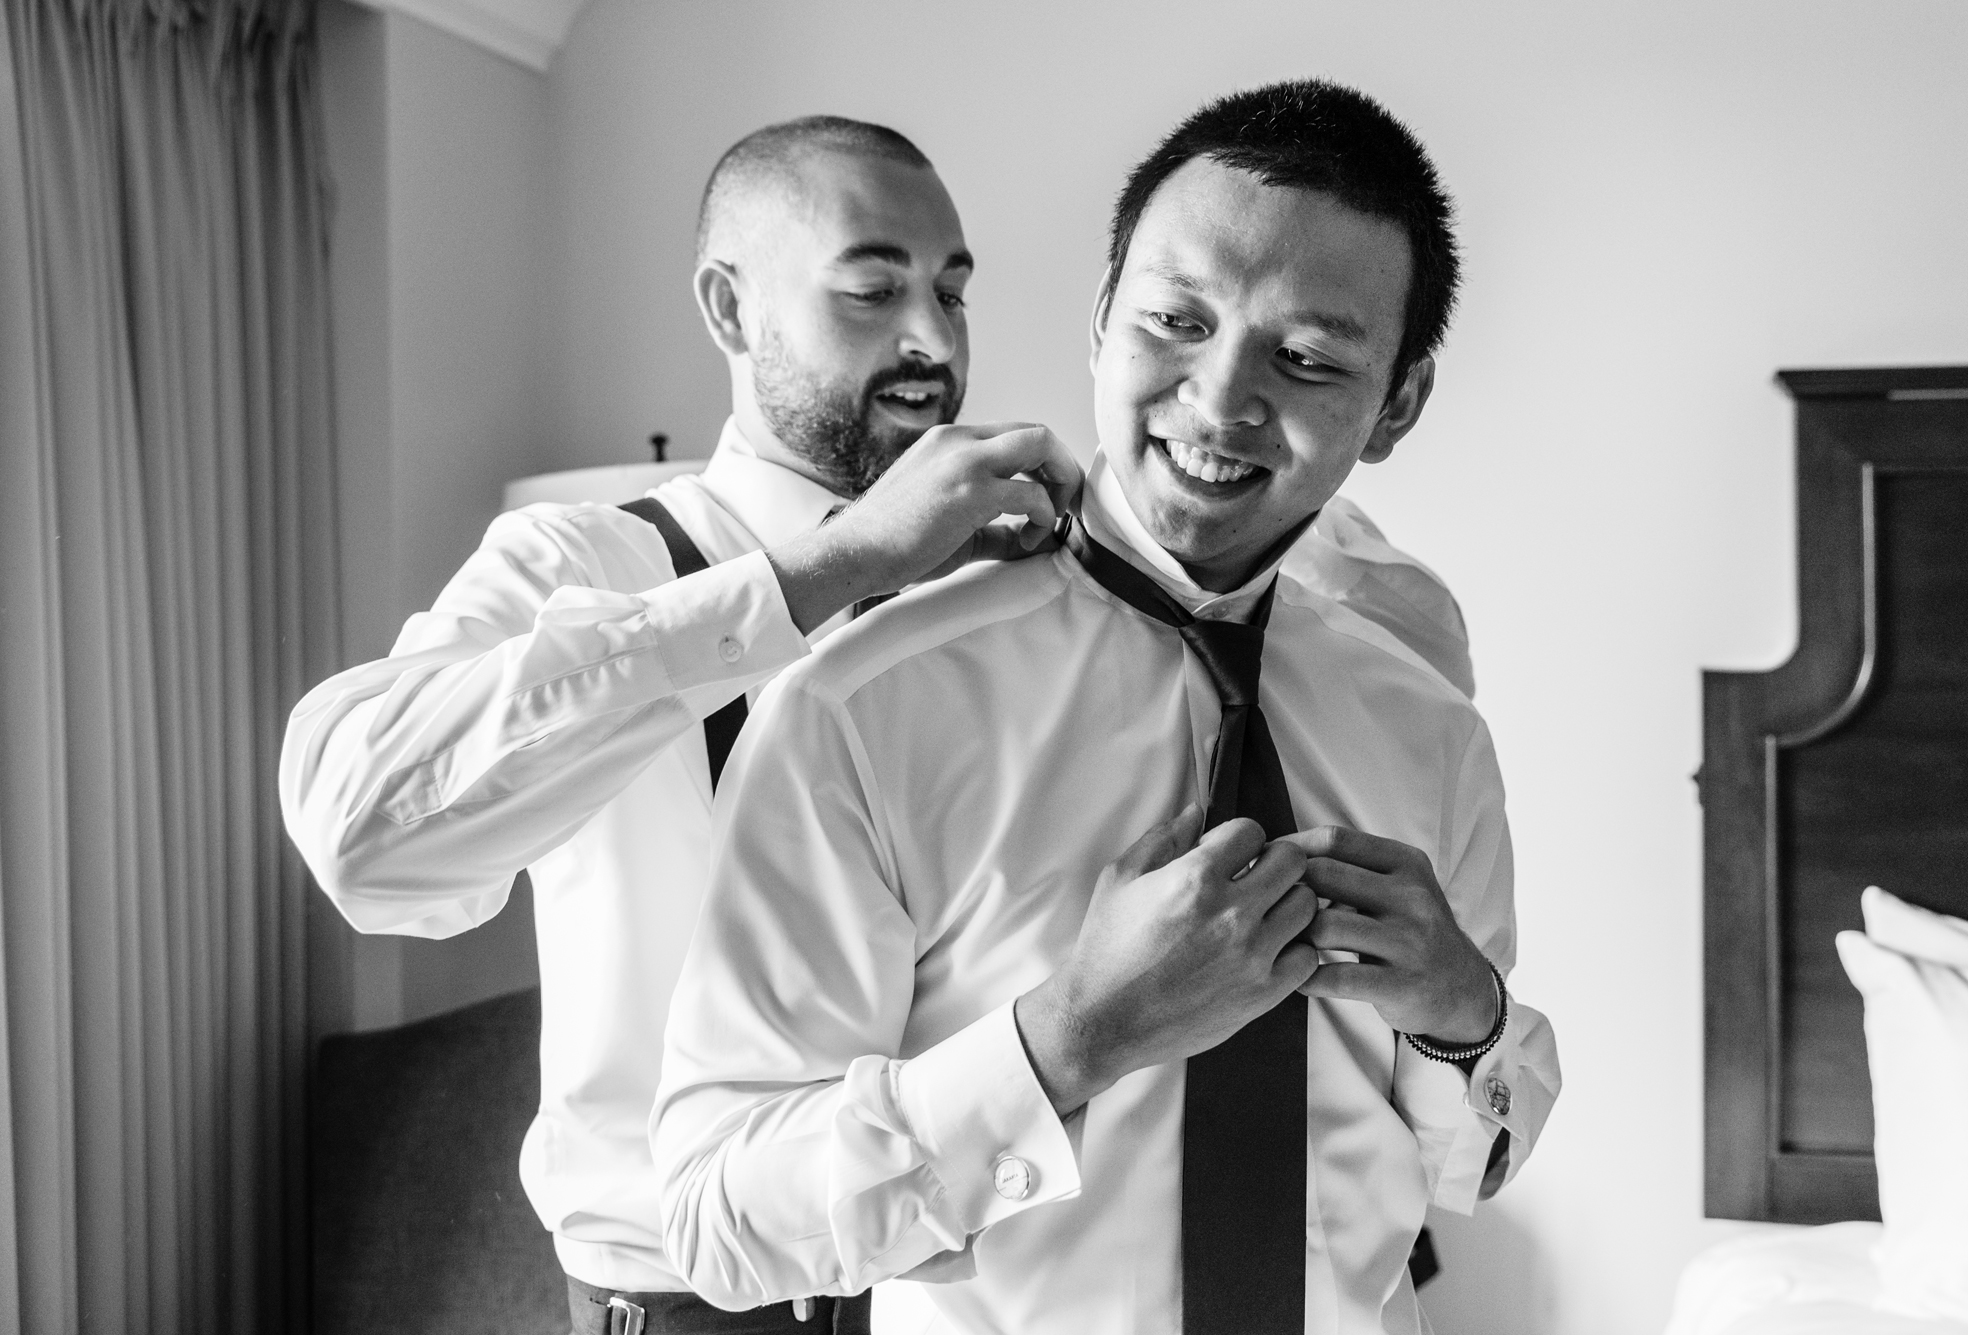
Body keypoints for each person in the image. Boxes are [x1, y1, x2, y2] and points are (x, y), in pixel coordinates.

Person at [651, 80, 1561, 1335]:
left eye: (1306, 359)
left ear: (1395, 403)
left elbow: (1467, 1165)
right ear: (1098, 320)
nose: (1219, 398)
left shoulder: (1426, 727)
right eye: (1174, 321)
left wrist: (1466, 1021)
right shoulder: (863, 707)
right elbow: (716, 1221)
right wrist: (1065, 1041)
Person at [281, 116, 1085, 1335]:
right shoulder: (584, 561)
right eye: (871, 290)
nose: (931, 340)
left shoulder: (999, 587)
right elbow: (364, 835)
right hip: (684, 1311)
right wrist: (830, 569)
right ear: (729, 308)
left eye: (950, 291)